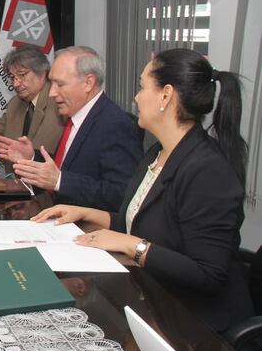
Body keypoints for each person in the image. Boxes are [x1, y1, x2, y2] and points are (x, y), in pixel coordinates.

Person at [32, 48, 253, 334]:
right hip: (152, 302)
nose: (136, 97)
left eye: (142, 86)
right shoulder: (156, 153)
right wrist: (85, 212)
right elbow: (138, 220)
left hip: (199, 327)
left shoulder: (208, 170)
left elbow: (207, 274)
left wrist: (130, 245)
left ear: (166, 95)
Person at [0, 46, 141, 212]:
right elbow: (69, 167)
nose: (52, 93)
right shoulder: (76, 116)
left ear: (88, 83)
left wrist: (60, 181)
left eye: (60, 84)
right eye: (52, 83)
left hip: (87, 230)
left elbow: (123, 195)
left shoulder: (114, 124)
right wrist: (33, 157)